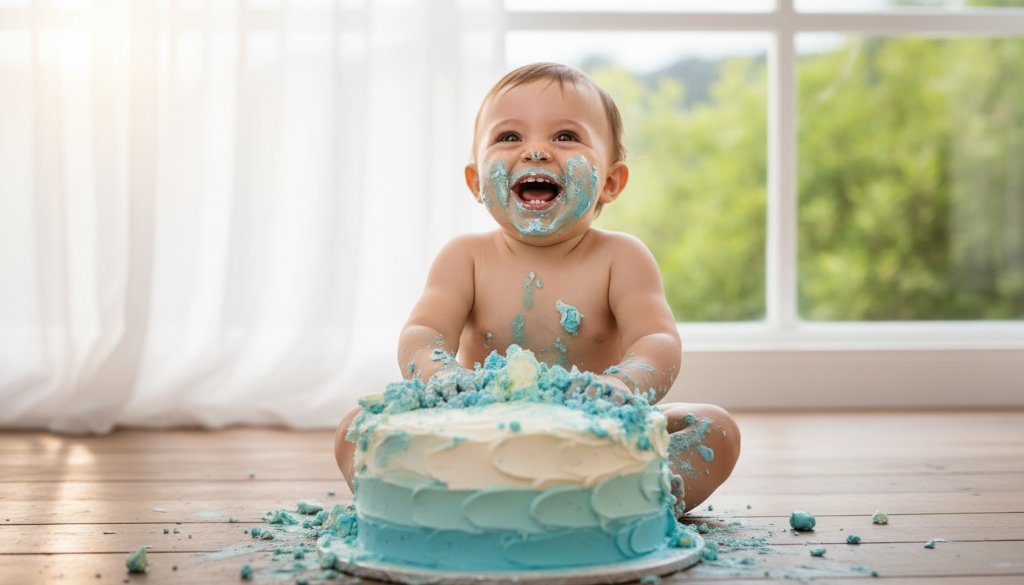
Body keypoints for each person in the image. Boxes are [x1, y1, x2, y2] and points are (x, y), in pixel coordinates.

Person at [335, 62, 740, 512]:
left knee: (714, 428)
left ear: (610, 182)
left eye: (566, 136)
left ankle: (628, 502)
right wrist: (445, 379)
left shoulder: (621, 258)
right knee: (354, 426)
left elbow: (657, 339)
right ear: (476, 183)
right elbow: (422, 333)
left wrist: (624, 384)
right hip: (475, 433)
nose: (537, 151)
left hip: (595, 436)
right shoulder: (464, 257)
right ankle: (429, 507)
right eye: (509, 137)